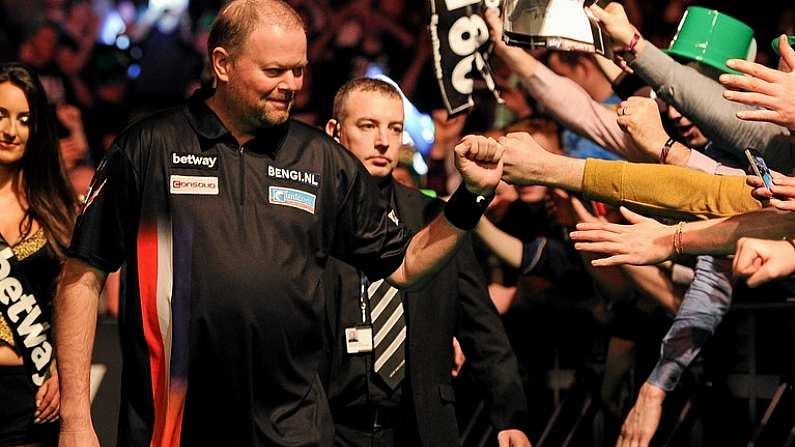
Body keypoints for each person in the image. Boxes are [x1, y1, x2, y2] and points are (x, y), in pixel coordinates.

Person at [53, 1, 503, 446]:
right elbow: (81, 275)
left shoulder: (322, 160)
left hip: (294, 430)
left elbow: (405, 265)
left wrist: (471, 198)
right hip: (173, 425)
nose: (292, 85)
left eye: (299, 70)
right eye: (274, 71)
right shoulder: (147, 147)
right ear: (222, 64)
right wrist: (75, 417)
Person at [322, 78, 531, 447]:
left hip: (420, 426)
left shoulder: (435, 216)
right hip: (329, 425)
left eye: (395, 128)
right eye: (368, 126)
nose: (384, 140)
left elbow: (481, 323)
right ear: (335, 132)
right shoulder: (311, 215)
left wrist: (509, 415)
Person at [0, 62, 78, 445]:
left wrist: (66, 376)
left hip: (32, 398)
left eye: (24, 119)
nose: (10, 130)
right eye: (0, 115)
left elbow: (72, 303)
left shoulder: (56, 207)